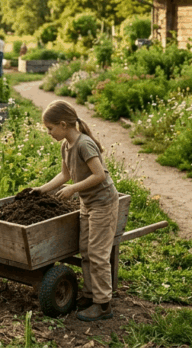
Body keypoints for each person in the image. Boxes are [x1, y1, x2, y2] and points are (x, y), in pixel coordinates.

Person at [33, 100, 119, 322]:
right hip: (87, 203)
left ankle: (103, 305)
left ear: (63, 124)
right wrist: (41, 190)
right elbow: (65, 175)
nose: (49, 133)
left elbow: (100, 175)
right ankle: (91, 295)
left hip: (103, 202)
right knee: (86, 251)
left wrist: (73, 189)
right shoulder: (66, 146)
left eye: (50, 129)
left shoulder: (84, 144)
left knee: (99, 254)